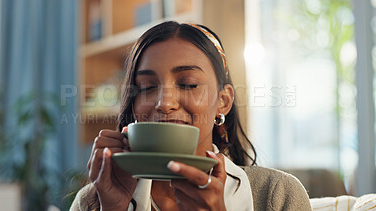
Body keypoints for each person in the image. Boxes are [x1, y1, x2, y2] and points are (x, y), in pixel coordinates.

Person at [71, 21, 312, 211]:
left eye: (188, 84)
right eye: (146, 87)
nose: (164, 103)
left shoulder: (276, 195)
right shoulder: (94, 200)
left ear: (223, 101)